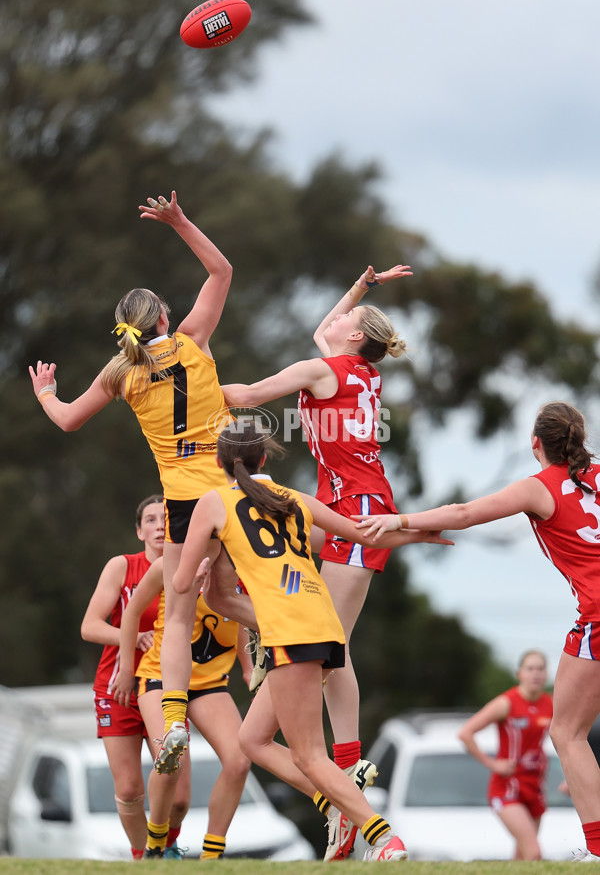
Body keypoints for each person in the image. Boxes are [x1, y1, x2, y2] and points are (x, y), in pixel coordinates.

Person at [171, 420, 452, 862]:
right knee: (253, 740)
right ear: (264, 458)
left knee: (310, 756)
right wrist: (419, 533)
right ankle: (338, 807)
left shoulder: (214, 502)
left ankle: (381, 839)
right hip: (322, 621)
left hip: (290, 629)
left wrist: (204, 568)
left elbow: (183, 582)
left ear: (219, 462)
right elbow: (362, 533)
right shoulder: (294, 498)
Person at [29, 190, 234, 769]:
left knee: (180, 607)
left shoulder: (122, 373)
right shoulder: (192, 341)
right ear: (165, 318)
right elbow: (222, 270)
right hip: (231, 485)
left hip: (185, 500)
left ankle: (172, 718)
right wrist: (179, 221)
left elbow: (67, 419)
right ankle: (275, 638)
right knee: (237, 585)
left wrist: (46, 392)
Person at [219, 263, 411, 859]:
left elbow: (245, 397)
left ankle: (349, 770)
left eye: (348, 318)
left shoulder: (321, 369)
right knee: (307, 628)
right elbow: (328, 326)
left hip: (355, 514)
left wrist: (186, 374)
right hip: (349, 510)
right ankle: (339, 789)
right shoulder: (362, 371)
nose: (337, 319)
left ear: (353, 336)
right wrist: (362, 289)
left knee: (330, 640)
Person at [355, 399, 600, 863]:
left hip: (597, 616)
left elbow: (466, 514)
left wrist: (402, 520)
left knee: (568, 733)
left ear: (535, 444)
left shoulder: (539, 487)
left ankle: (598, 850)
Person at [113, 556, 251, 860]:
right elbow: (132, 611)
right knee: (170, 753)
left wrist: (247, 665)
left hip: (210, 682)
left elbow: (239, 617)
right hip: (160, 677)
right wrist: (125, 669)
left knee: (240, 760)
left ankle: (212, 855)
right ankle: (155, 843)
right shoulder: (170, 563)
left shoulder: (245, 560)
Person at [80, 493, 187, 860]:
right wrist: (133, 640)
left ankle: (167, 845)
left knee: (181, 798)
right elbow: (90, 626)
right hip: (119, 685)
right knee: (128, 789)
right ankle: (145, 859)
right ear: (139, 530)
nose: (160, 526)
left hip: (165, 684)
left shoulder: (188, 568)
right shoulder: (122, 566)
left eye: (166, 519)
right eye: (152, 520)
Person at [457, 650, 553, 860]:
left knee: (521, 856)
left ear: (546, 675)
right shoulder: (507, 703)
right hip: (508, 786)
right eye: (530, 668)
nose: (535, 674)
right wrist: (492, 764)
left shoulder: (550, 704)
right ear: (520, 673)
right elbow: (465, 733)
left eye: (540, 669)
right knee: (533, 852)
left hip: (535, 785)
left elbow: (570, 737)